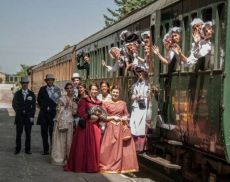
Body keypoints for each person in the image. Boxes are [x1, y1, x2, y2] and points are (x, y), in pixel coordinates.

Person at [64, 83, 102, 173]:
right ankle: (81, 166)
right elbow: (80, 113)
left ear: (98, 91)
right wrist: (89, 116)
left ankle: (92, 167)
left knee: (93, 147)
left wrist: (98, 117)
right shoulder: (84, 100)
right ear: (89, 90)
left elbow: (102, 113)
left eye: (96, 90)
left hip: (95, 126)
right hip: (85, 126)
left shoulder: (99, 102)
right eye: (92, 89)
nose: (94, 91)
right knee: (82, 147)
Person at [100, 85, 139, 173]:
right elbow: (103, 116)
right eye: (113, 92)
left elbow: (126, 114)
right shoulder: (106, 103)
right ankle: (108, 165)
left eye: (117, 92)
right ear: (111, 92)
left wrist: (124, 118)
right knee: (108, 147)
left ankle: (120, 166)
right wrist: (112, 117)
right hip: (110, 127)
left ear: (119, 93)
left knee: (120, 147)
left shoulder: (123, 103)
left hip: (120, 127)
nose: (115, 94)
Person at [51, 83, 77, 165]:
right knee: (61, 140)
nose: (69, 90)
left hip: (70, 122)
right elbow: (58, 110)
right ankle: (60, 158)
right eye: (68, 88)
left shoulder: (74, 99)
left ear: (73, 89)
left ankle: (68, 158)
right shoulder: (62, 98)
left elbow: (74, 112)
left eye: (71, 88)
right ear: (65, 90)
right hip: (62, 121)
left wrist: (73, 105)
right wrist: (63, 108)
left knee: (69, 140)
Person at [37, 74, 61, 155]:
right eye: (48, 80)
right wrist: (44, 107)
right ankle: (45, 150)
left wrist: (51, 108)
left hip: (53, 115)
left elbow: (58, 101)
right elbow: (39, 100)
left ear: (53, 81)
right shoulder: (42, 89)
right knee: (44, 133)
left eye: (51, 80)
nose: (50, 81)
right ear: (46, 81)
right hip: (43, 114)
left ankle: (53, 149)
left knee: (52, 133)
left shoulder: (57, 90)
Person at [129, 67, 151, 152]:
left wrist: (144, 96)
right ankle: (134, 146)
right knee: (134, 125)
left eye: (141, 72)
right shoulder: (136, 84)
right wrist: (135, 97)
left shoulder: (148, 84)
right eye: (138, 73)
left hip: (144, 106)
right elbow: (132, 96)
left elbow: (150, 95)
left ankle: (142, 147)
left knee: (142, 126)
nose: (139, 74)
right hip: (136, 106)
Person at [12, 76, 36, 154]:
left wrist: (32, 116)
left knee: (28, 134)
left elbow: (34, 107)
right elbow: (14, 104)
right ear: (21, 84)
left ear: (28, 84)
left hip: (28, 117)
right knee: (19, 133)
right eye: (23, 83)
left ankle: (27, 149)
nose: (25, 84)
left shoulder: (31, 94)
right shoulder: (17, 94)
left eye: (26, 83)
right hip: (20, 117)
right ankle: (18, 148)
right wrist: (19, 111)